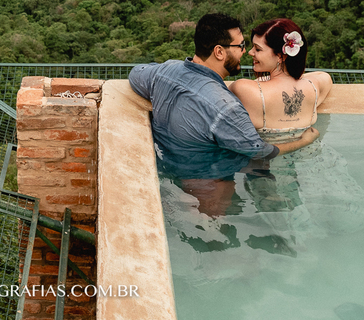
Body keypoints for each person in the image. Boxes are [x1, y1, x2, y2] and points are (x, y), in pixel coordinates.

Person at [129, 13, 317, 215]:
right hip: (209, 189)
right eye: (241, 46)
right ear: (219, 52)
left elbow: (135, 73)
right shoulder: (225, 107)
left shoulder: (164, 72)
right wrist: (304, 141)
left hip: (169, 172)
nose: (245, 52)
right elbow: (260, 152)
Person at [229, 18, 333, 144]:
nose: (250, 52)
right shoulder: (314, 86)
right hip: (312, 156)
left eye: (257, 49)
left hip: (267, 162)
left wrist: (262, 79)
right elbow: (323, 75)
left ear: (280, 56)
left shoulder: (244, 89)